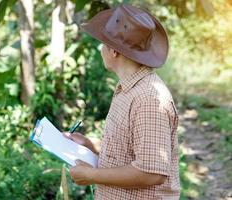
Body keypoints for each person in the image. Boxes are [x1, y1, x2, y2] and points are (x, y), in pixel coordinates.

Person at [63, 4, 180, 200]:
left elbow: (151, 172)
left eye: (103, 44)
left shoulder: (148, 99)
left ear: (114, 51)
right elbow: (130, 149)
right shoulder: (128, 89)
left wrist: (92, 175)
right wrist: (89, 144)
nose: (101, 49)